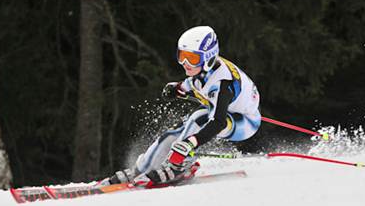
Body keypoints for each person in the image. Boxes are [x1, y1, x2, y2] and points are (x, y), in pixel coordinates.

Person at [107, 25, 261, 186]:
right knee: (172, 134)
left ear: (208, 58)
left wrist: (191, 142)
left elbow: (218, 122)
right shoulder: (201, 70)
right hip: (226, 111)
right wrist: (178, 88)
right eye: (182, 56)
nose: (185, 63)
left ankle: (179, 165)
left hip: (244, 122)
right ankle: (141, 169)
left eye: (192, 58)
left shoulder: (223, 84)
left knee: (198, 118)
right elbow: (194, 83)